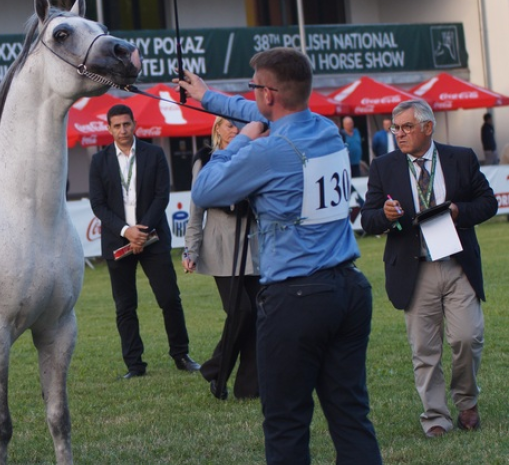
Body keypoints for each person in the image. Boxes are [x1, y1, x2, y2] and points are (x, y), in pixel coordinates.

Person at [177, 48, 382, 464]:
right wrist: (207, 96)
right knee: (350, 416)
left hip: (297, 299)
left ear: (269, 95)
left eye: (254, 89)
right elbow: (253, 110)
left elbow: (205, 189)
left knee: (286, 423)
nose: (250, 97)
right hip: (348, 289)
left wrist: (240, 142)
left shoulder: (267, 149)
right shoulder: (326, 129)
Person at [361, 99, 497, 438]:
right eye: (395, 128)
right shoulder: (384, 166)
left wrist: (456, 211)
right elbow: (367, 218)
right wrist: (386, 216)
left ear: (428, 127)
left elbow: (489, 203)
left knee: (468, 337)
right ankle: (435, 417)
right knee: (425, 349)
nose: (400, 134)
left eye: (407, 127)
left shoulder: (461, 158)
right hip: (413, 268)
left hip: (456, 264)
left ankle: (466, 401)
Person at [89, 104, 201, 379]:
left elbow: (162, 195)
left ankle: (181, 354)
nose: (123, 130)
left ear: (134, 124)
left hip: (153, 239)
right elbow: (98, 205)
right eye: (117, 126)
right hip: (118, 241)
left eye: (126, 124)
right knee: (125, 306)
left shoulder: (155, 154)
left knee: (169, 298)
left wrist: (142, 231)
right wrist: (128, 231)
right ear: (109, 128)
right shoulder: (99, 161)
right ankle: (135, 365)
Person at [182, 117, 260, 400]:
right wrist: (191, 248)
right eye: (229, 125)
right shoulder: (206, 160)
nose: (235, 130)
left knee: (257, 317)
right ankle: (216, 369)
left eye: (239, 126)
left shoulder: (254, 157)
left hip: (254, 245)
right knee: (241, 312)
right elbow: (196, 210)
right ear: (217, 129)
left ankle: (248, 387)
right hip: (221, 246)